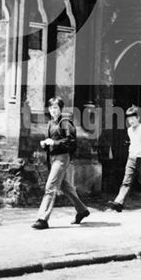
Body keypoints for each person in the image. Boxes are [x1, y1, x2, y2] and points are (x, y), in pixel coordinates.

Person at [32, 97, 91, 229]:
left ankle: (42, 219)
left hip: (62, 158)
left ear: (60, 109)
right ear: (49, 109)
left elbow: (71, 142)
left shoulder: (65, 123)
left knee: (50, 187)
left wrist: (54, 143)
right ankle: (82, 210)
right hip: (53, 159)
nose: (54, 110)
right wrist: (45, 144)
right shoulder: (50, 123)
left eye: (56, 108)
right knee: (65, 186)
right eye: (51, 108)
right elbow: (52, 142)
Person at [107, 106, 141, 212]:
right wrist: (131, 153)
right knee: (126, 181)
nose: (130, 121)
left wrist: (138, 152)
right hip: (132, 158)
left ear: (138, 118)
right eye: (128, 119)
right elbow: (133, 143)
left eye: (133, 118)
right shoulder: (130, 130)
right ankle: (119, 203)